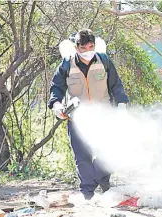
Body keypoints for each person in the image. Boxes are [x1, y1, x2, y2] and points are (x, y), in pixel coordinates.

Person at [47, 29, 129, 200]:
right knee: (82, 155)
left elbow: (116, 84)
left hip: (103, 116)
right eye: (84, 47)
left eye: (91, 46)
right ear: (77, 48)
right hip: (78, 119)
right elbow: (56, 88)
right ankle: (87, 193)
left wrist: (122, 103)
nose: (88, 51)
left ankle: (104, 183)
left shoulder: (104, 61)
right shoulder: (66, 64)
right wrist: (56, 104)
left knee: (106, 151)